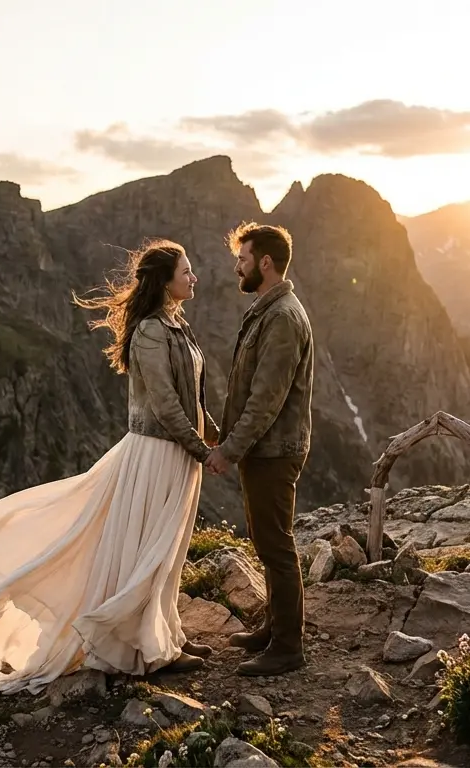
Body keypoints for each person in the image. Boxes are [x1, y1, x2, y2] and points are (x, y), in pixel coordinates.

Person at [0, 239, 216, 695]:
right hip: (157, 451)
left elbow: (194, 394)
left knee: (167, 550)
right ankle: (137, 648)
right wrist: (201, 447)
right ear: (165, 280)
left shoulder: (175, 325)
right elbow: (166, 402)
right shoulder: (151, 331)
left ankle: (164, 637)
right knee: (150, 549)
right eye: (186, 271)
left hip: (180, 452)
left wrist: (210, 436)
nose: (194, 277)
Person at [204, 222, 315, 677]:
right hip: (265, 449)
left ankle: (288, 647)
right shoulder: (268, 310)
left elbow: (266, 399)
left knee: (276, 544)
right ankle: (274, 627)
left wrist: (228, 450)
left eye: (244, 258)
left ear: (264, 262)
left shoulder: (283, 318)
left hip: (274, 449)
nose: (238, 266)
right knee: (267, 541)